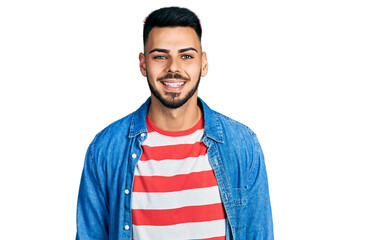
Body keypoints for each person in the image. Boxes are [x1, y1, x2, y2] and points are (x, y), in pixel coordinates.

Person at [76, 6, 274, 240]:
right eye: (160, 56)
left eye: (186, 56)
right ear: (142, 64)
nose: (173, 67)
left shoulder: (242, 145)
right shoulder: (106, 149)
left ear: (204, 63)